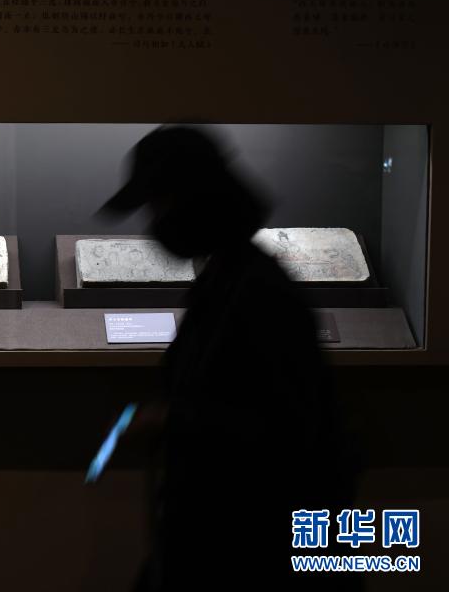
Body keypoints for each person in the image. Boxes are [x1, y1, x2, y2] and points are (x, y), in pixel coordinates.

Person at [101, 126, 359, 591]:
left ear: (195, 200)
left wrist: (173, 420)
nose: (154, 223)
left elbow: (287, 432)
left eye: (160, 204)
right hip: (228, 541)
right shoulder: (230, 278)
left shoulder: (257, 291)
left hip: (253, 551)